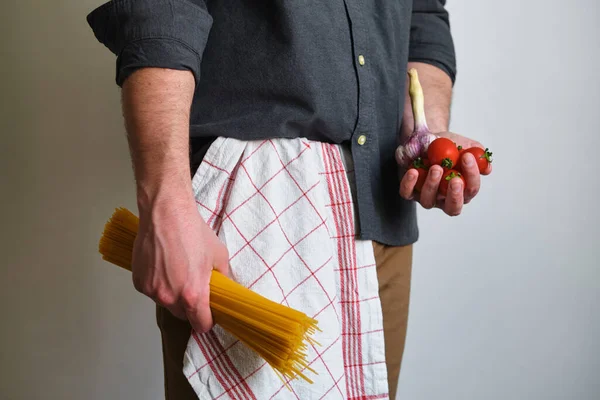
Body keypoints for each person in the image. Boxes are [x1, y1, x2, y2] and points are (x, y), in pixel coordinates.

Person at [87, 1, 491, 399]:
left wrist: (427, 136)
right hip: (248, 219)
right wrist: (166, 204)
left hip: (380, 213)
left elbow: (421, 15)